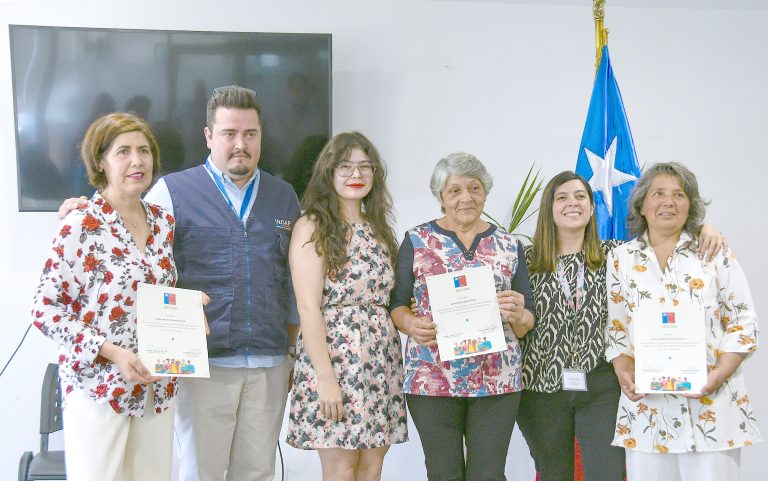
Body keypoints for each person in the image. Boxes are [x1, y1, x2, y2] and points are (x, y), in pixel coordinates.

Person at [60, 86, 301, 481]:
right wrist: (84, 206)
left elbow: (293, 282)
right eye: (229, 133)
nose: (240, 144)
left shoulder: (284, 196)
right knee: (199, 473)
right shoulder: (172, 192)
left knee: (258, 473)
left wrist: (292, 353)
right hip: (202, 367)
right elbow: (128, 230)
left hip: (269, 364)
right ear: (208, 136)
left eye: (250, 134)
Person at [516, 171, 726, 481]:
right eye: (562, 197)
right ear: (549, 208)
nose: (572, 203)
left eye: (580, 197)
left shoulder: (617, 254)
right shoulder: (525, 258)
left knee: (608, 473)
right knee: (552, 474)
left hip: (601, 387)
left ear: (592, 207)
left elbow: (665, 235)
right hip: (540, 388)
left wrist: (705, 229)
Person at [32, 112, 177, 481]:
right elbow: (45, 310)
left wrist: (190, 314)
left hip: (155, 386)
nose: (137, 161)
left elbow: (158, 292)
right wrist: (112, 352)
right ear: (101, 162)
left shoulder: (163, 223)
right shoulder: (80, 223)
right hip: (98, 387)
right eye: (123, 151)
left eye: (144, 151)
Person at [605, 162, 761, 481]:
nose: (669, 202)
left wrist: (717, 375)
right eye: (658, 193)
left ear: (690, 205)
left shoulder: (713, 250)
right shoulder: (620, 259)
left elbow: (743, 321)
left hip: (713, 410)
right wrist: (623, 372)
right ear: (642, 205)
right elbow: (616, 329)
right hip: (647, 414)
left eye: (679, 194)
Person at [389, 152, 535, 481]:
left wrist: (518, 315)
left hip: (497, 381)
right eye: (455, 190)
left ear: (485, 192)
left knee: (488, 475)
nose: (466, 197)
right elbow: (397, 304)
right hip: (432, 378)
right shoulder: (416, 240)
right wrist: (410, 324)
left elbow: (528, 319)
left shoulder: (509, 245)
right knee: (444, 474)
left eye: (474, 188)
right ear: (441, 197)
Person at [285, 132, 407, 480]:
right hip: (336, 361)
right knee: (341, 469)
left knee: (372, 466)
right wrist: (326, 380)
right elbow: (308, 307)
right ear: (328, 171)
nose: (356, 174)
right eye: (345, 166)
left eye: (365, 166)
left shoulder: (379, 229)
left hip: (380, 361)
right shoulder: (312, 225)